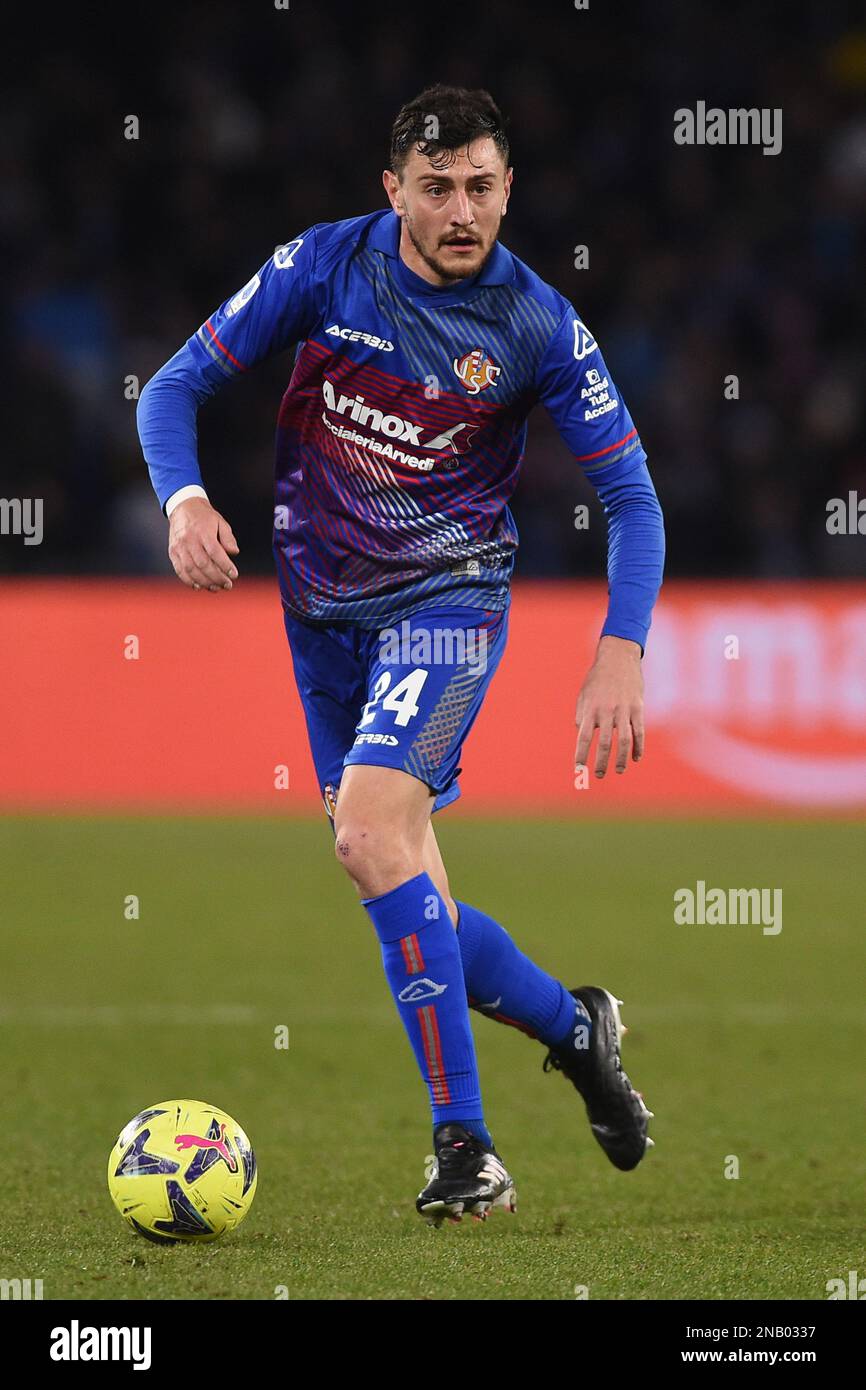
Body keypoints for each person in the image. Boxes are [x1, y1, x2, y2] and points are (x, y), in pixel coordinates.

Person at [137, 84, 664, 1227]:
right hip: (320, 611)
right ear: (395, 191)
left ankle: (463, 1147)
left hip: (446, 601)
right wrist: (182, 499)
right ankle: (577, 1032)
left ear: (507, 187)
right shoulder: (325, 268)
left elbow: (630, 496)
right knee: (391, 874)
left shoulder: (533, 323)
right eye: (436, 188)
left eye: (481, 186)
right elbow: (174, 384)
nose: (461, 209)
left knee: (370, 830)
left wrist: (618, 647)